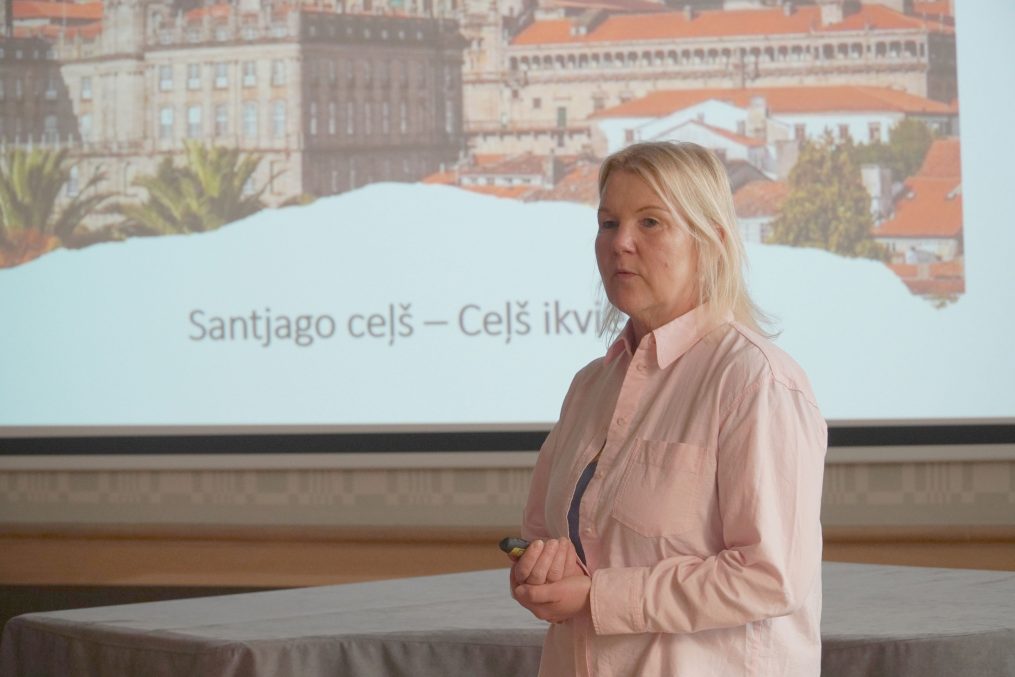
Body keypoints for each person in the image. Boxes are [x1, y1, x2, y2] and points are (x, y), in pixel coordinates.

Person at [508, 141, 827, 675]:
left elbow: (771, 577)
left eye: (650, 222)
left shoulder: (756, 381)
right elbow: (543, 533)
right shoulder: (589, 387)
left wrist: (597, 596)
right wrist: (537, 573)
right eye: (608, 223)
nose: (620, 243)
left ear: (712, 241)